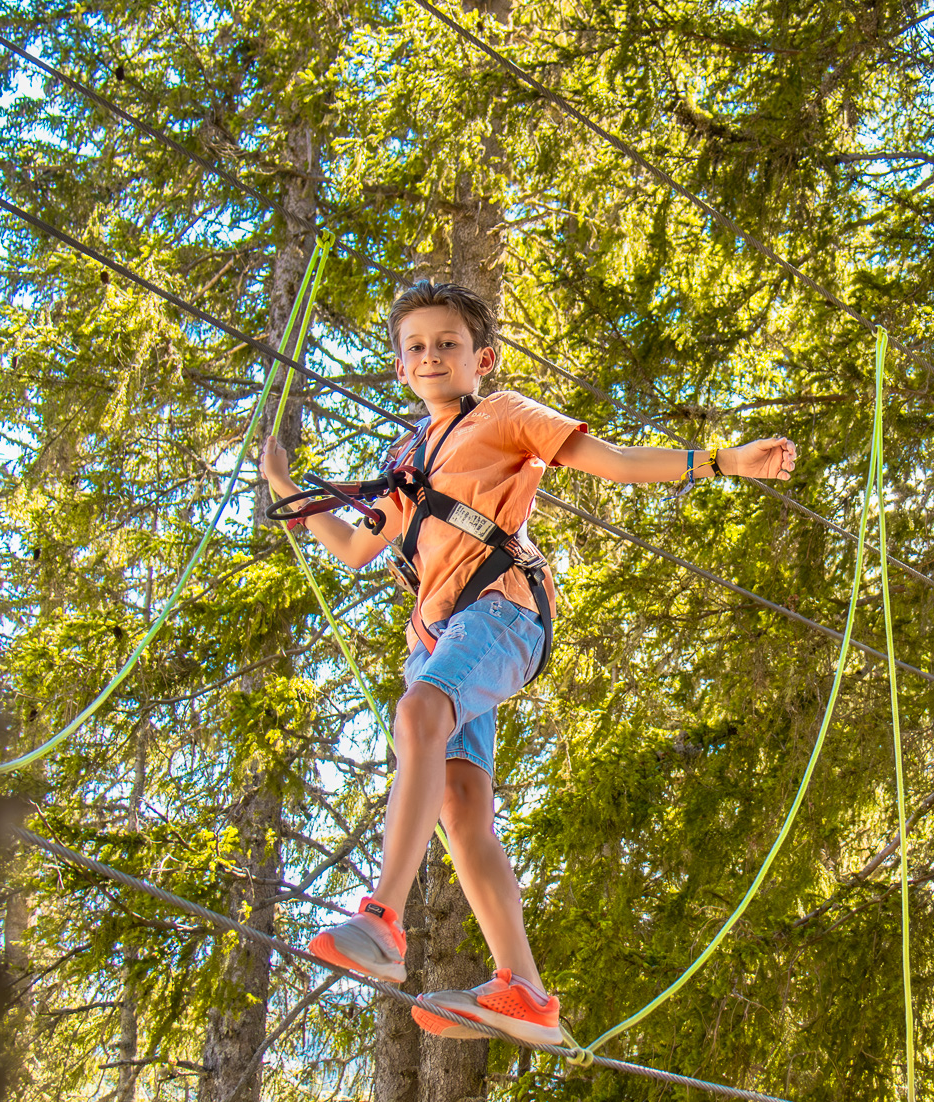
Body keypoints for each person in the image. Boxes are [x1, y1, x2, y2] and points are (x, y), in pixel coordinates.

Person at [260, 280, 796, 1045]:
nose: (431, 356)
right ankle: (525, 991)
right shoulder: (404, 457)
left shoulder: (505, 415)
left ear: (482, 358)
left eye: (447, 343)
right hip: (440, 637)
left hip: (503, 610)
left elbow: (609, 460)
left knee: (419, 712)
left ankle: (382, 918)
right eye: (416, 347)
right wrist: (289, 490)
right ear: (401, 369)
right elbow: (354, 547)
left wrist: (724, 461)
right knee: (459, 803)